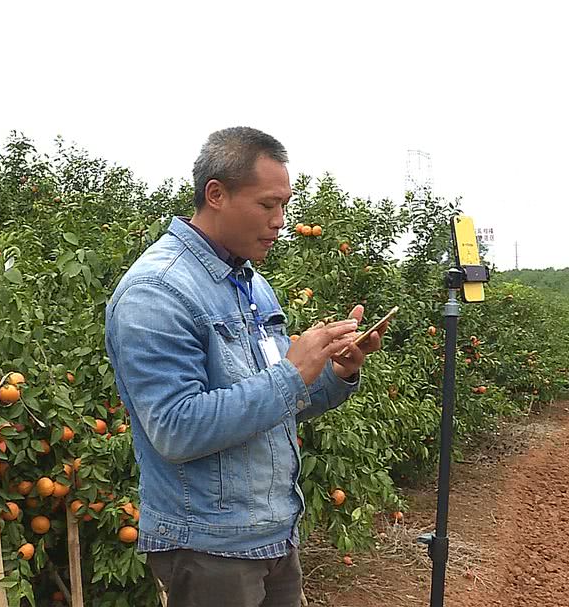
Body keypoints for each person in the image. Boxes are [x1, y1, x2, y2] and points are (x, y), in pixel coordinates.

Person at [105, 127, 387, 606]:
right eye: (267, 205)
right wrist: (292, 374)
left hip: (274, 533)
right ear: (216, 194)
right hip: (210, 547)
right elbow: (175, 429)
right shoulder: (157, 292)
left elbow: (275, 405)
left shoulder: (251, 284)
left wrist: (334, 374)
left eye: (285, 206)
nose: (280, 221)